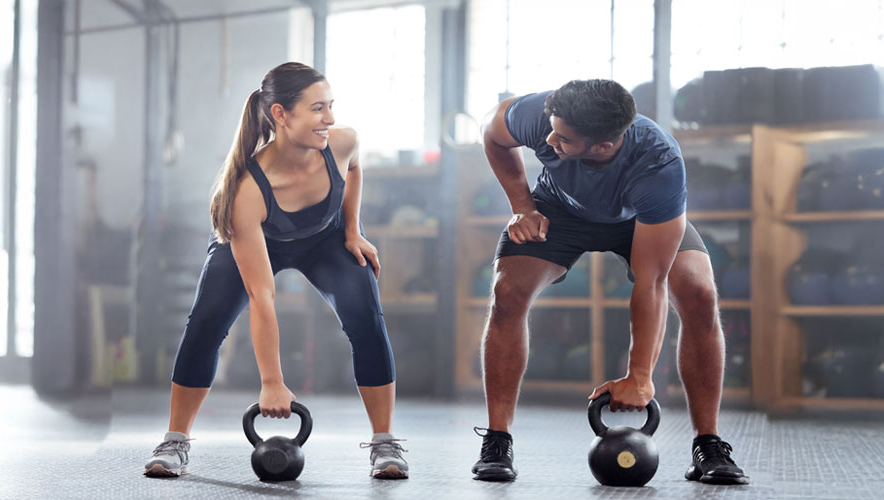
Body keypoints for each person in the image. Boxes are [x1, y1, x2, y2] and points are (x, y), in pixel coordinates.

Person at [472, 79, 748, 485]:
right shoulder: (541, 116)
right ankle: (497, 440)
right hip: (558, 211)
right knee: (506, 292)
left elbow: (650, 282)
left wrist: (639, 376)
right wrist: (522, 206)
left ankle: (708, 444)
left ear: (602, 146)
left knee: (699, 294)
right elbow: (492, 134)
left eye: (562, 138)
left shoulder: (658, 165)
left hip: (639, 220)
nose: (548, 140)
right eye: (551, 128)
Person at [143, 62, 408, 480]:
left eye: (331, 106)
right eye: (318, 108)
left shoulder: (342, 142)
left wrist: (353, 230)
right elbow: (262, 296)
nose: (331, 119)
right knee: (206, 323)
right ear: (281, 115)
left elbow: (354, 169)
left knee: (366, 317)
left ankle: (384, 443)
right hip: (256, 240)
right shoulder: (247, 190)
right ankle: (175, 439)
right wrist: (272, 381)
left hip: (324, 239)